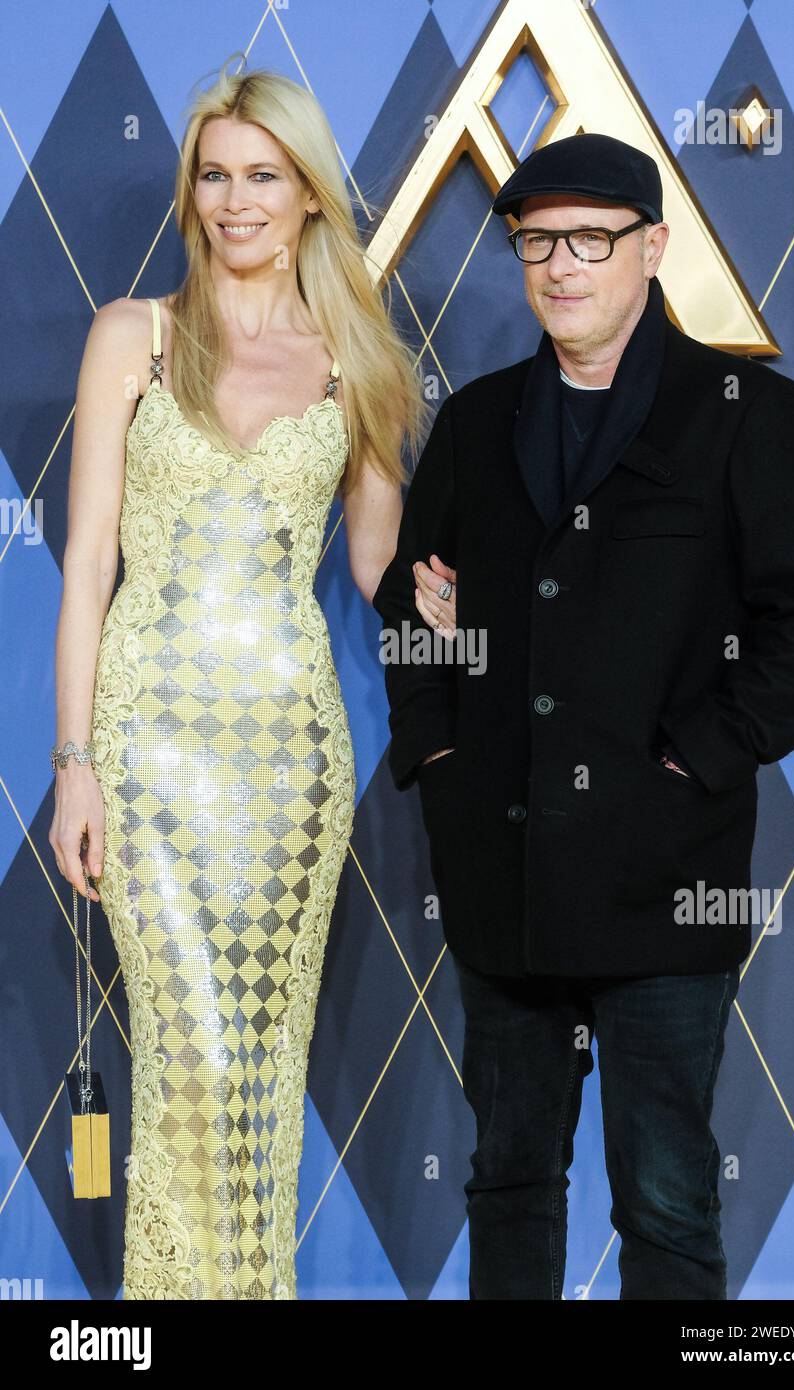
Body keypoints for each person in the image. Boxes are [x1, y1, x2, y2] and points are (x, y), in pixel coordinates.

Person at [373, 132, 794, 1300]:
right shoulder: (477, 421)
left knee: (663, 1200)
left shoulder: (747, 412)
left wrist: (698, 756)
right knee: (506, 1183)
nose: (561, 266)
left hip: (664, 878)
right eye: (538, 242)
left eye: (590, 240)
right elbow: (411, 606)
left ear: (651, 247)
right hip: (503, 879)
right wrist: (438, 750)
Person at [48, 62, 430, 1299]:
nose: (234, 199)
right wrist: (74, 767)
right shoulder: (132, 336)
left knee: (258, 1066)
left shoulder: (353, 360)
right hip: (149, 753)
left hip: (287, 767)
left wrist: (493, 603)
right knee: (185, 1055)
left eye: (262, 175)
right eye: (213, 175)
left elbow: (376, 563)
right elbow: (88, 563)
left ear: (310, 194)